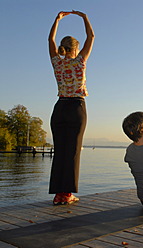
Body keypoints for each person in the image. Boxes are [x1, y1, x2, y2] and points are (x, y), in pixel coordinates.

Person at [48, 10, 95, 205]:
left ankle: (59, 195)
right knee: (73, 152)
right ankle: (67, 195)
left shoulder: (57, 63)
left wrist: (57, 20)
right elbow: (91, 36)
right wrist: (84, 17)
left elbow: (50, 39)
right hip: (76, 107)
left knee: (60, 151)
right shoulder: (80, 61)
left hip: (59, 109)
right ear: (75, 49)